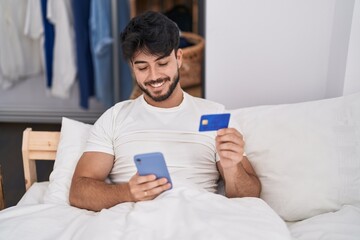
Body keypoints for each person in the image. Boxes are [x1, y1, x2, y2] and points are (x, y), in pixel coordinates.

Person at [69, 11, 261, 211]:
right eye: (143, 67)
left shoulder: (215, 115)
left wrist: (232, 167)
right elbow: (78, 191)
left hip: (199, 217)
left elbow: (250, 197)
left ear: (178, 58)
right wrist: (126, 193)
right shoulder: (115, 117)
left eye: (162, 63)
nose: (154, 76)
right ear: (132, 68)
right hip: (135, 220)